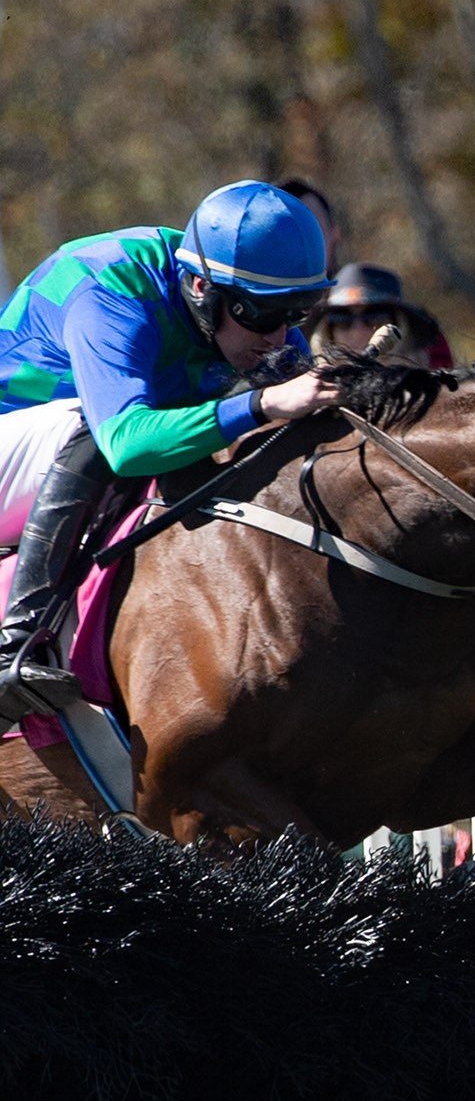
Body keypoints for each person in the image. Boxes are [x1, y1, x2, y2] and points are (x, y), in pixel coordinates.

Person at [0, 180, 341, 726]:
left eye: (295, 313)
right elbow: (126, 444)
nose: (280, 337)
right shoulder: (110, 284)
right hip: (20, 438)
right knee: (89, 425)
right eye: (259, 314)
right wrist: (263, 403)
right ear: (201, 287)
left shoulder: (245, 308)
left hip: (75, 462)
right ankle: (15, 644)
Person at [309, 263, 455, 369]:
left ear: (400, 326)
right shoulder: (308, 402)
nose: (358, 331)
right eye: (342, 319)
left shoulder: (434, 395)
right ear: (328, 332)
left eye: (373, 317)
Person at [277, 177, 342, 277]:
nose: (302, 242)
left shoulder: (357, 289)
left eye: (312, 229)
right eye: (289, 231)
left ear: (335, 233)